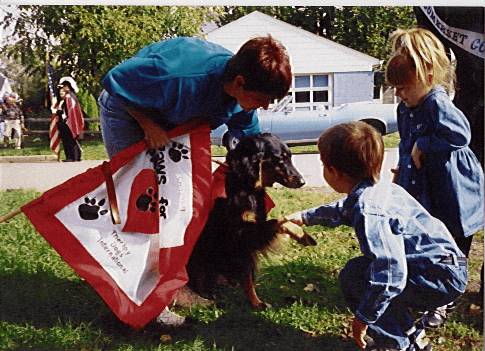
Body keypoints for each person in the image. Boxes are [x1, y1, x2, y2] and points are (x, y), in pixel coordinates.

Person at [98, 35, 292, 325]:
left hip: (172, 120)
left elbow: (248, 140)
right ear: (238, 83)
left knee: (180, 203)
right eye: (262, 98)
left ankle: (175, 278)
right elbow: (116, 80)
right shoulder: (180, 75)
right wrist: (147, 123)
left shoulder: (241, 98)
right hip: (128, 109)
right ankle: (149, 298)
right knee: (144, 206)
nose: (265, 106)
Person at [285, 121, 467, 351]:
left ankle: (394, 345)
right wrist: (305, 216)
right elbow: (343, 209)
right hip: (447, 267)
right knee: (358, 271)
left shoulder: (371, 212)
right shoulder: (380, 190)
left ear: (334, 171)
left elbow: (390, 275)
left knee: (360, 280)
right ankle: (412, 336)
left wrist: (363, 318)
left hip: (437, 277)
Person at [386, 28, 484, 327]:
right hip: (425, 183)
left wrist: (424, 144)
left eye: (404, 88)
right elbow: (407, 143)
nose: (400, 95)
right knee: (426, 237)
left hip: (452, 185)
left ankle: (446, 297)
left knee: (451, 238)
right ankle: (425, 289)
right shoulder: (406, 106)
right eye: (396, 90)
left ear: (427, 78)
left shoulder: (437, 102)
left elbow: (459, 134)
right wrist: (402, 169)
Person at [52, 77, 84, 162]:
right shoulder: (72, 96)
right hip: (69, 121)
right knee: (72, 139)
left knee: (69, 140)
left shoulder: (69, 97)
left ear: (67, 86)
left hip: (67, 122)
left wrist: (57, 111)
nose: (62, 88)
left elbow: (67, 111)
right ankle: (76, 157)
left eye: (64, 86)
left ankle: (71, 157)